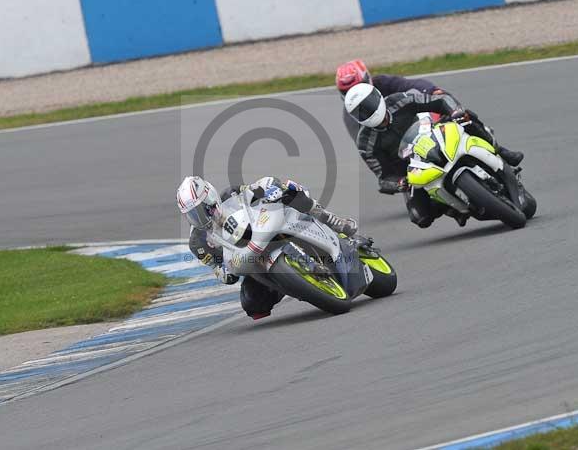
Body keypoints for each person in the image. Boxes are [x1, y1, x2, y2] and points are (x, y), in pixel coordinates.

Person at [344, 83, 524, 229]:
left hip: (436, 135)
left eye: (368, 105)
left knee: (466, 116)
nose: (368, 112)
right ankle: (454, 209)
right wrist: (399, 183)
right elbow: (383, 177)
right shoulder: (365, 143)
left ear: (377, 97)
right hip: (416, 167)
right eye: (361, 111)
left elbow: (439, 100)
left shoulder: (399, 100)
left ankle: (501, 151)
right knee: (419, 217)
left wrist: (455, 111)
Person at [176, 176, 358, 319]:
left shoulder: (229, 194)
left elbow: (256, 188)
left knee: (289, 189)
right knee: (252, 305)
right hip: (251, 262)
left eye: (200, 211)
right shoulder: (197, 243)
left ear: (209, 197)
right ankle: (300, 285)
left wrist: (270, 188)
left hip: (264, 229)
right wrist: (224, 273)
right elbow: (216, 268)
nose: (198, 218)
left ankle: (333, 221)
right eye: (192, 215)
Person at [336, 59, 445, 139]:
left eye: (359, 86)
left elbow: (410, 84)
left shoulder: (382, 82)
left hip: (415, 124)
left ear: (368, 79)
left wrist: (432, 90)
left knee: (441, 100)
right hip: (394, 145)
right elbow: (364, 145)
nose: (357, 93)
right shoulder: (351, 117)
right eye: (348, 91)